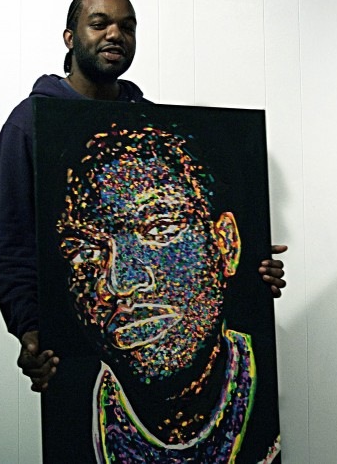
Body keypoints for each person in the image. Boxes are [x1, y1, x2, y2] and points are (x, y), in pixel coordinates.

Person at [0, 0, 286, 400]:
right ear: (70, 38)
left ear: (226, 242)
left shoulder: (154, 125)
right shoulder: (29, 125)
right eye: (99, 24)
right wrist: (30, 329)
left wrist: (255, 266)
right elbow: (14, 243)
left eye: (127, 27)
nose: (115, 34)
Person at [56, 127, 280, 462]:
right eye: (86, 252)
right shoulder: (63, 422)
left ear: (226, 244)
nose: (120, 283)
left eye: (160, 229)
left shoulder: (289, 382)